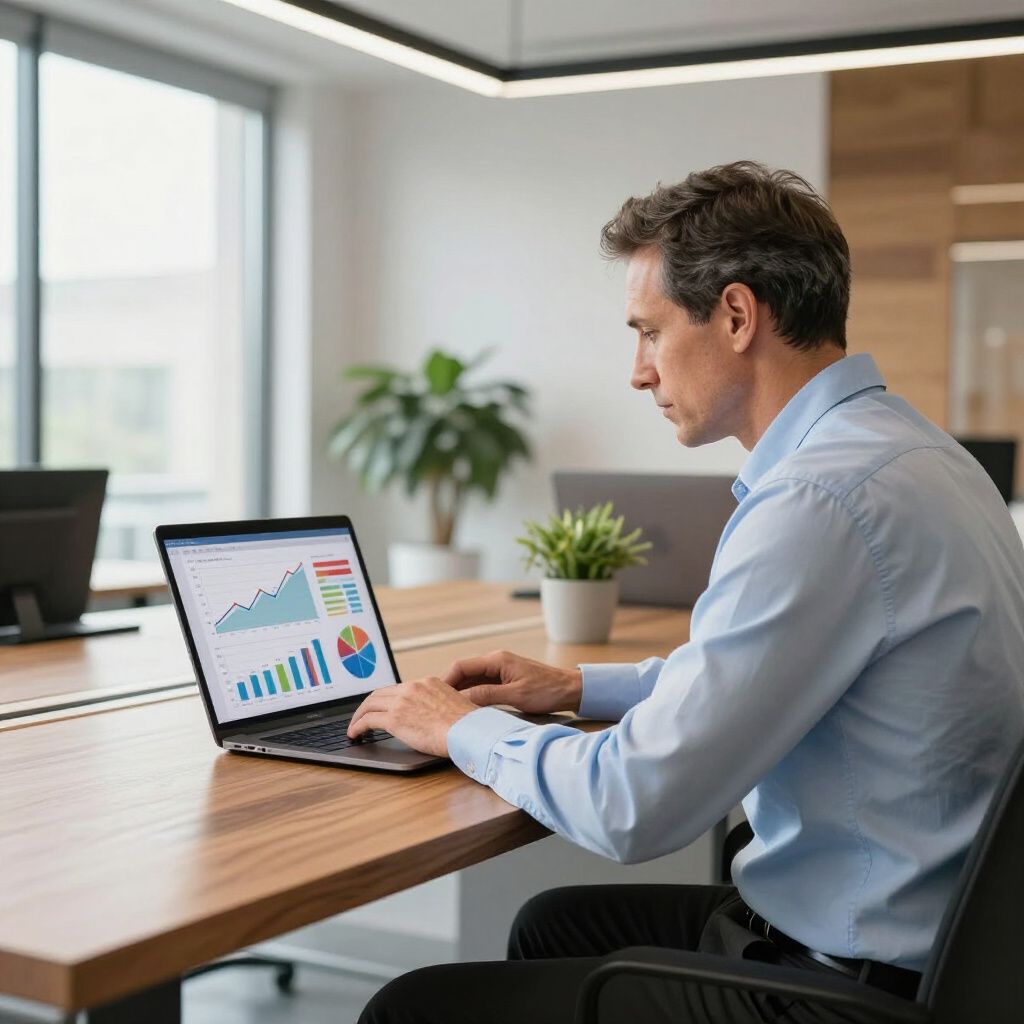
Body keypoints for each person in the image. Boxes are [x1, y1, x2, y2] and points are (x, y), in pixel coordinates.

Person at [347, 161, 1024, 1024]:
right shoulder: (911, 452)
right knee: (559, 923)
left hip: (847, 989)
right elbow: (755, 672)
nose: (638, 371)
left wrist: (460, 727)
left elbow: (634, 806)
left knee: (412, 1009)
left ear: (737, 316)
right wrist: (576, 687)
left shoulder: (820, 500)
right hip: (938, 947)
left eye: (649, 332)